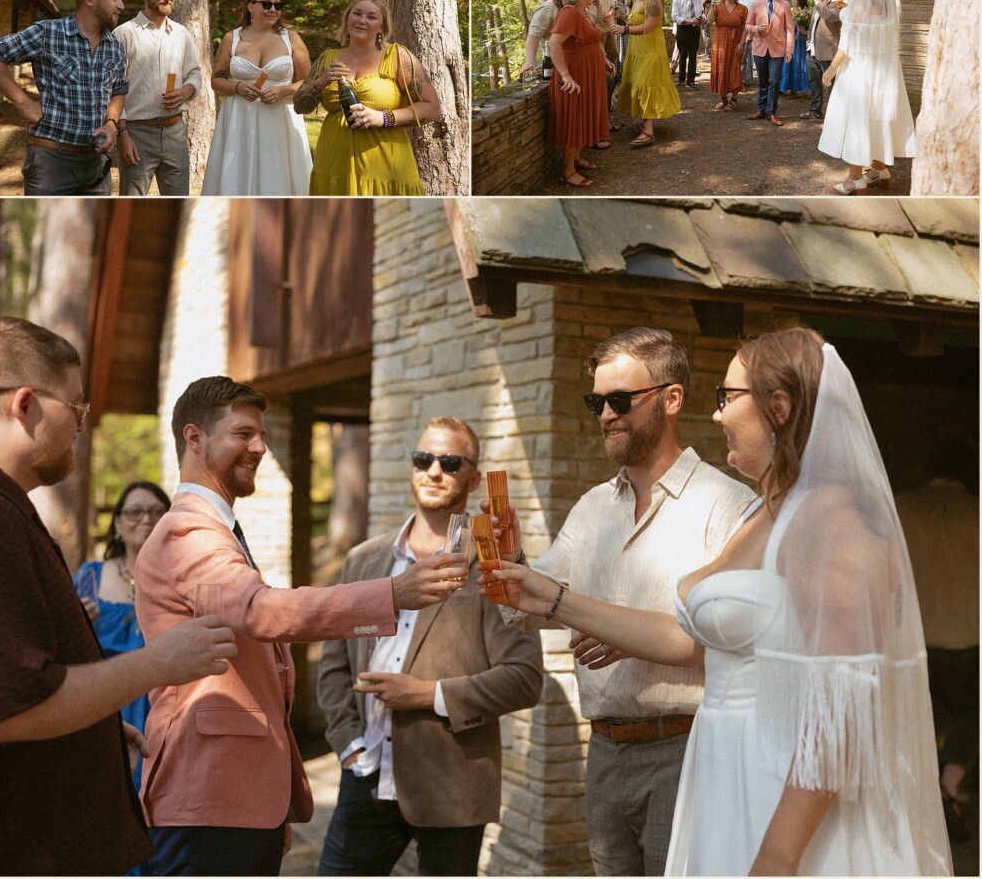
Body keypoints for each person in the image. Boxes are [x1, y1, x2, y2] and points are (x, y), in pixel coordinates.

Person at [491, 328, 954, 877]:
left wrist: (777, 858)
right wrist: (545, 593)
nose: (717, 416)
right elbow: (685, 636)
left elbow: (841, 715)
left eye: (726, 397)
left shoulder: (832, 522)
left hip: (770, 786)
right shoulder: (766, 512)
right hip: (718, 778)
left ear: (777, 408)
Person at [135, 376, 466, 876]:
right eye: (244, 433)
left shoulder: (217, 528)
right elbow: (262, 612)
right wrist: (392, 594)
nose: (260, 447)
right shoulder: (189, 531)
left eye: (262, 435)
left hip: (237, 797)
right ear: (194, 437)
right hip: (207, 797)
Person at [0, 317, 236, 876]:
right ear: (25, 405)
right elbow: (8, 711)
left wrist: (94, 725)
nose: (82, 427)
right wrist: (157, 662)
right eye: (77, 408)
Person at [498, 327, 756, 876]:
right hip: (606, 754)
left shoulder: (730, 506)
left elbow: (728, 640)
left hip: (688, 750)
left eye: (621, 400)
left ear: (672, 397)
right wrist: (505, 563)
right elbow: (529, 600)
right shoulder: (592, 507)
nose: (607, 414)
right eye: (597, 402)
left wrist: (610, 627)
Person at [316, 418, 543, 877]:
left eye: (450, 461)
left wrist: (424, 694)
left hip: (453, 786)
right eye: (423, 459)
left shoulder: (493, 565)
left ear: (474, 477)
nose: (433, 470)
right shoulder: (364, 560)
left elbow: (524, 677)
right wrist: (347, 744)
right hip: (365, 775)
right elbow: (336, 661)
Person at [0, 0, 130, 195]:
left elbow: (119, 89)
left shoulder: (115, 45)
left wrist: (111, 123)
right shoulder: (48, 33)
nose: (121, 5)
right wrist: (23, 102)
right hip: (51, 163)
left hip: (97, 167)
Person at [896, 442, 979, 845]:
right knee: (971, 715)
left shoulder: (900, 506)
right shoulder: (976, 512)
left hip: (909, 640)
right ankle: (951, 779)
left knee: (912, 721)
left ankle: (920, 796)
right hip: (967, 637)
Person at [72, 480, 172, 790]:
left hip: (165, 710)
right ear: (117, 523)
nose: (146, 519)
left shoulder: (182, 581)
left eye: (157, 512)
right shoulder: (90, 577)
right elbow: (64, 652)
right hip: (106, 707)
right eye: (135, 512)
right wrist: (78, 625)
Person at [295, 0, 441, 196]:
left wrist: (382, 117)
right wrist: (322, 80)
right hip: (333, 161)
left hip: (386, 164)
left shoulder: (398, 56)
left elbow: (433, 109)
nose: (362, 21)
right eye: (357, 14)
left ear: (382, 27)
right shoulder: (326, 59)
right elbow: (300, 106)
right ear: (347, 19)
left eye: (372, 17)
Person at [201, 0, 312, 195]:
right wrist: (237, 87)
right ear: (251, 7)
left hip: (280, 119)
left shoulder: (292, 39)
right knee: (237, 174)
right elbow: (216, 80)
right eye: (267, 4)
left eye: (277, 5)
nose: (273, 10)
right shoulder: (231, 39)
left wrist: (284, 91)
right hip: (239, 119)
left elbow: (310, 80)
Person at [818, 0, 915, 193]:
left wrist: (831, 69)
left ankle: (854, 179)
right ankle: (878, 169)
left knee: (857, 121)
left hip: (859, 71)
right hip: (885, 70)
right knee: (878, 117)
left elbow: (848, 45)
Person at [114, 0, 203, 196]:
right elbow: (112, 88)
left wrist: (186, 91)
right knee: (131, 206)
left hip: (175, 131)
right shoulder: (123, 34)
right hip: (137, 133)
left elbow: (195, 73)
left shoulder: (181, 34)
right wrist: (121, 134)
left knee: (178, 204)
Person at [545, 0, 615, 188]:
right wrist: (566, 76)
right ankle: (568, 171)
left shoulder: (581, 12)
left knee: (583, 114)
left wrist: (603, 59)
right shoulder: (569, 13)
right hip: (575, 73)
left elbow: (588, 39)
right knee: (573, 119)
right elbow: (554, 44)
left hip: (588, 70)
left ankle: (576, 158)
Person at [614, 0, 680, 148]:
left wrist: (624, 29)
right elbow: (634, 19)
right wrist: (616, 19)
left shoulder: (653, 2)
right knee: (640, 86)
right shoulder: (635, 1)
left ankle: (649, 131)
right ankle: (646, 122)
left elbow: (649, 27)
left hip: (651, 52)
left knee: (646, 86)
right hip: (637, 51)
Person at [744, 0, 794, 127]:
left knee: (774, 81)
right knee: (763, 81)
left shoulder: (784, 5)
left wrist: (789, 50)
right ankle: (761, 110)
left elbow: (790, 29)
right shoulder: (755, 4)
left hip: (778, 50)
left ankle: (771, 112)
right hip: (759, 48)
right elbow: (747, 25)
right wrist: (755, 29)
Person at [801, 0, 841, 121]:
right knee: (814, 82)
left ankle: (835, 116)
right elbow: (813, 24)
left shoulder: (838, 3)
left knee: (830, 84)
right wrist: (808, 40)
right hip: (812, 48)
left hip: (828, 50)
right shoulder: (819, 3)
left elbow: (829, 17)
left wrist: (816, 0)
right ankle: (815, 112)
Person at [518, 0, 572, 79]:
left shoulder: (575, 6)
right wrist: (530, 61)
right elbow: (534, 35)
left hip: (574, 60)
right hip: (555, 63)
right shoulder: (548, 8)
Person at [585, 0, 619, 123]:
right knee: (602, 55)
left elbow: (613, 6)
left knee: (614, 52)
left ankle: (609, 72)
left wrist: (609, 14)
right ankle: (605, 79)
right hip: (598, 30)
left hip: (609, 26)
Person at [708, 0, 747, 111]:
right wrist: (712, 7)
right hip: (720, 42)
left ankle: (734, 99)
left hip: (736, 41)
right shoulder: (718, 6)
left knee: (735, 68)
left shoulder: (742, 8)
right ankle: (723, 99)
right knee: (721, 68)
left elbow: (746, 27)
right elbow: (709, 21)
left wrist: (742, 43)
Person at [671, 0, 703, 88]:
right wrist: (688, 20)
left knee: (693, 55)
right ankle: (681, 79)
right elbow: (674, 17)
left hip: (695, 29)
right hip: (683, 29)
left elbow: (701, 13)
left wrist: (702, 18)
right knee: (683, 54)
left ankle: (691, 80)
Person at [779, 0, 810, 97]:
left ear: (800, 0)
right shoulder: (789, 11)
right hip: (788, 40)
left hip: (799, 41)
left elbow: (810, 29)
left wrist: (804, 32)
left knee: (796, 64)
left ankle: (794, 89)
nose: (792, 0)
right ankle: (782, 86)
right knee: (786, 63)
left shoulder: (806, 12)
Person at [735, 0, 757, 90]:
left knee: (745, 58)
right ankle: (735, 80)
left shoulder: (753, 0)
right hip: (734, 33)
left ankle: (743, 81)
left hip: (747, 32)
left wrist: (750, 35)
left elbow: (754, 19)